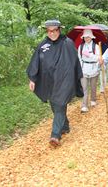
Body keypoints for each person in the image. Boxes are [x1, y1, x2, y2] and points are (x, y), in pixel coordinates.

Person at [26, 19, 83, 147]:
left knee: (60, 103)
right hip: (49, 82)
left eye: (54, 30)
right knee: (56, 106)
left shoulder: (67, 43)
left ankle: (55, 135)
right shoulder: (43, 45)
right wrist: (32, 78)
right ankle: (65, 126)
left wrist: (76, 78)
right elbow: (36, 62)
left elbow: (74, 62)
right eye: (49, 31)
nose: (52, 33)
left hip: (64, 81)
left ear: (59, 30)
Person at [78, 29, 101, 113]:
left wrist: (90, 55)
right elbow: (79, 58)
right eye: (85, 37)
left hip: (94, 68)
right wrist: (80, 68)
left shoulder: (96, 47)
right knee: (84, 88)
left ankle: (93, 100)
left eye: (88, 37)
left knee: (93, 86)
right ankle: (84, 105)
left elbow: (99, 58)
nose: (86, 38)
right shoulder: (81, 47)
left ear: (91, 37)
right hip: (84, 69)